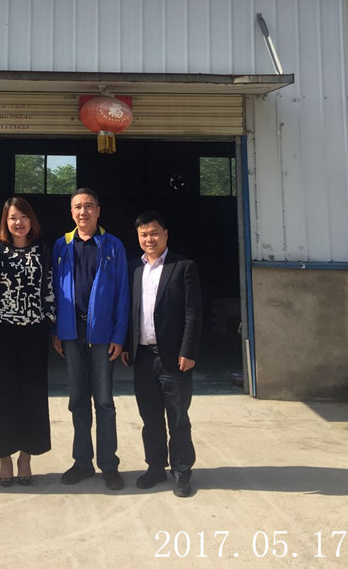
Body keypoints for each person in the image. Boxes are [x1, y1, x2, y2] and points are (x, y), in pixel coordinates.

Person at [0, 197, 54, 486]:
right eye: (12, 218)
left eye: (23, 217)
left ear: (31, 220)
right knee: (2, 397)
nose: (18, 222)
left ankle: (25, 457)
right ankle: (4, 458)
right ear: (5, 223)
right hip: (2, 334)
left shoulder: (43, 250)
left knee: (32, 395)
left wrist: (52, 325)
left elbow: (49, 290)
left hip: (35, 334)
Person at [52, 188, 129, 490]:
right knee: (77, 400)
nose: (83, 212)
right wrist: (57, 330)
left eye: (88, 206)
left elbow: (122, 293)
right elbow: (54, 291)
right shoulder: (62, 245)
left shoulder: (112, 246)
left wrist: (119, 335)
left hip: (102, 334)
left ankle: (109, 465)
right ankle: (82, 462)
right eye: (77, 207)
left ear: (98, 211)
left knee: (104, 401)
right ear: (71, 212)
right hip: (71, 332)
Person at [122, 210, 202, 497]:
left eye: (154, 233)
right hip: (143, 356)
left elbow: (193, 312)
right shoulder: (133, 268)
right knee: (150, 418)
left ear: (166, 234)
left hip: (174, 358)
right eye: (144, 234)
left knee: (178, 417)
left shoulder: (183, 266)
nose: (149, 239)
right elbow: (128, 310)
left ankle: (181, 471)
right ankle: (155, 467)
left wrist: (188, 350)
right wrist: (126, 345)